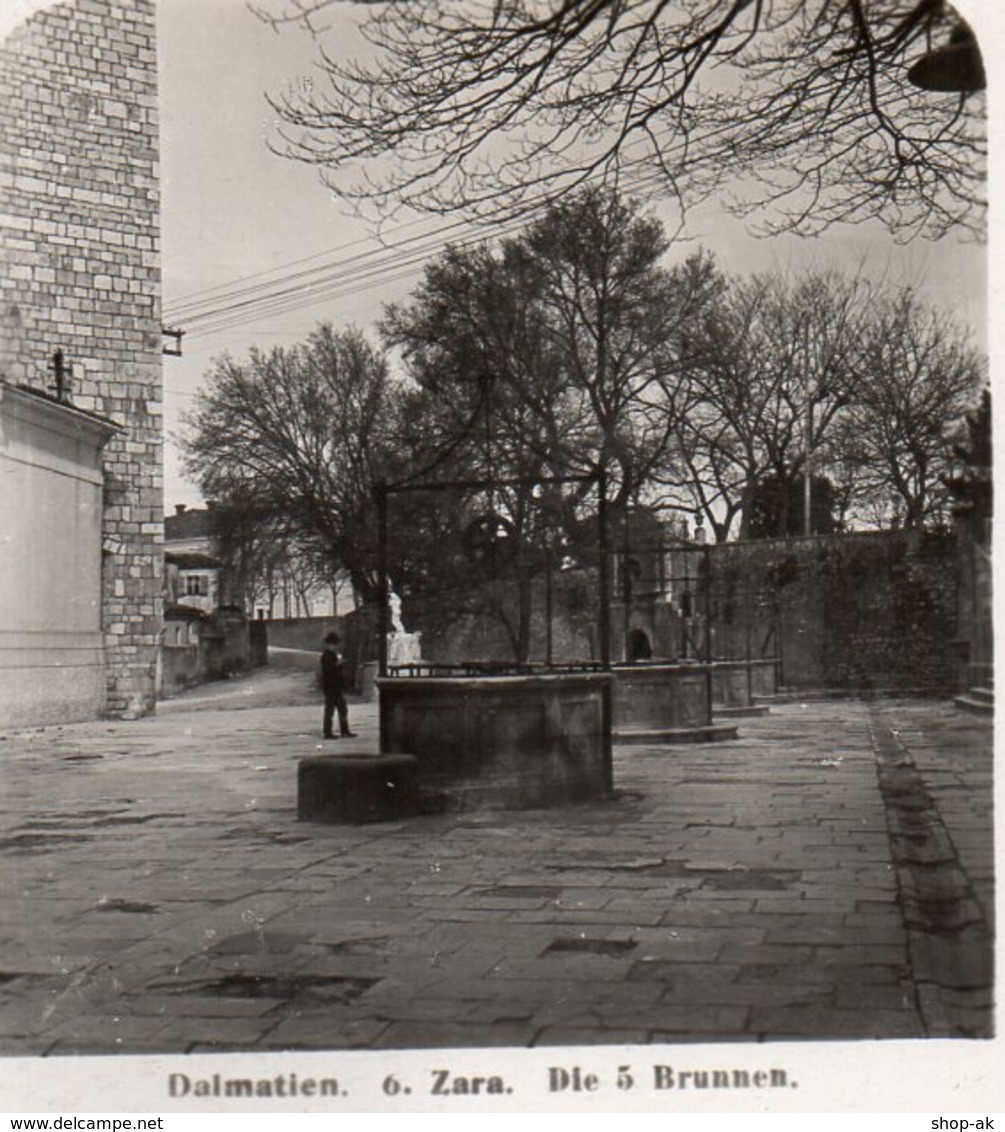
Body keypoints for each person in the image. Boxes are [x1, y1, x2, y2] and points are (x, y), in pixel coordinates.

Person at [320, 631, 357, 739]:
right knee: (330, 710)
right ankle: (328, 732)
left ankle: (344, 730)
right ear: (328, 644)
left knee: (342, 708)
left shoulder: (332, 655)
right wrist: (338, 664)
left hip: (335, 686)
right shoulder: (326, 656)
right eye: (333, 644)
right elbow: (329, 670)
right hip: (331, 687)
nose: (334, 646)